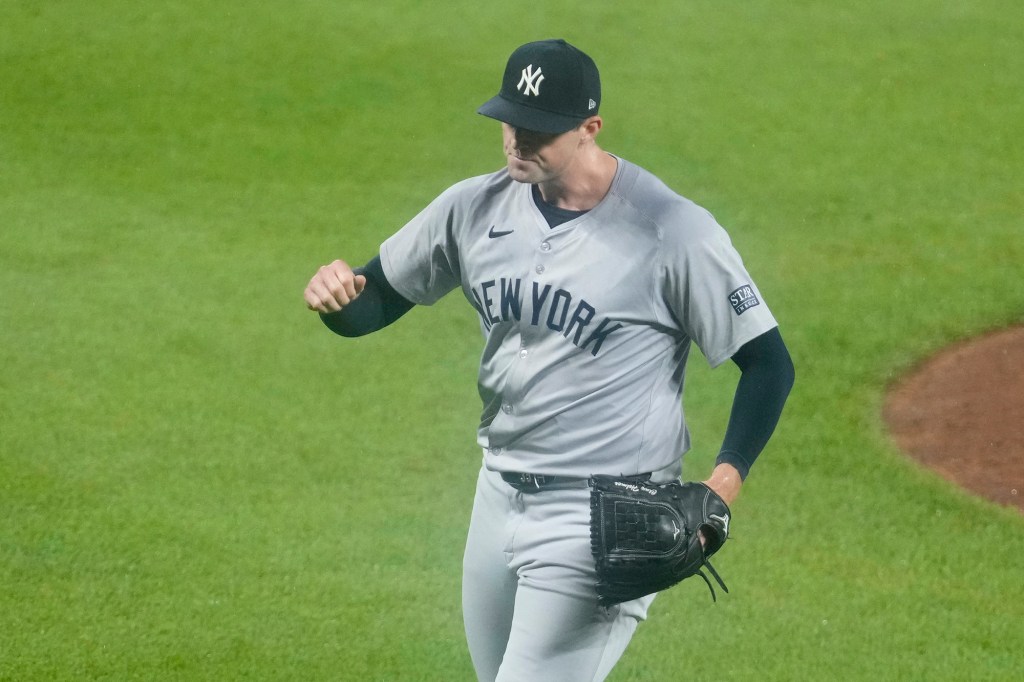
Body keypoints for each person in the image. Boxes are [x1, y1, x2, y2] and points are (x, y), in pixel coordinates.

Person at [304, 39, 794, 682]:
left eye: (539, 131)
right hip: (498, 492)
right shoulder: (472, 208)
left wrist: (720, 488)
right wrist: (339, 301)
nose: (518, 142)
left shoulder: (674, 232)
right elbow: (377, 300)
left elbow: (768, 363)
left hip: (604, 518)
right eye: (511, 123)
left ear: (590, 129)